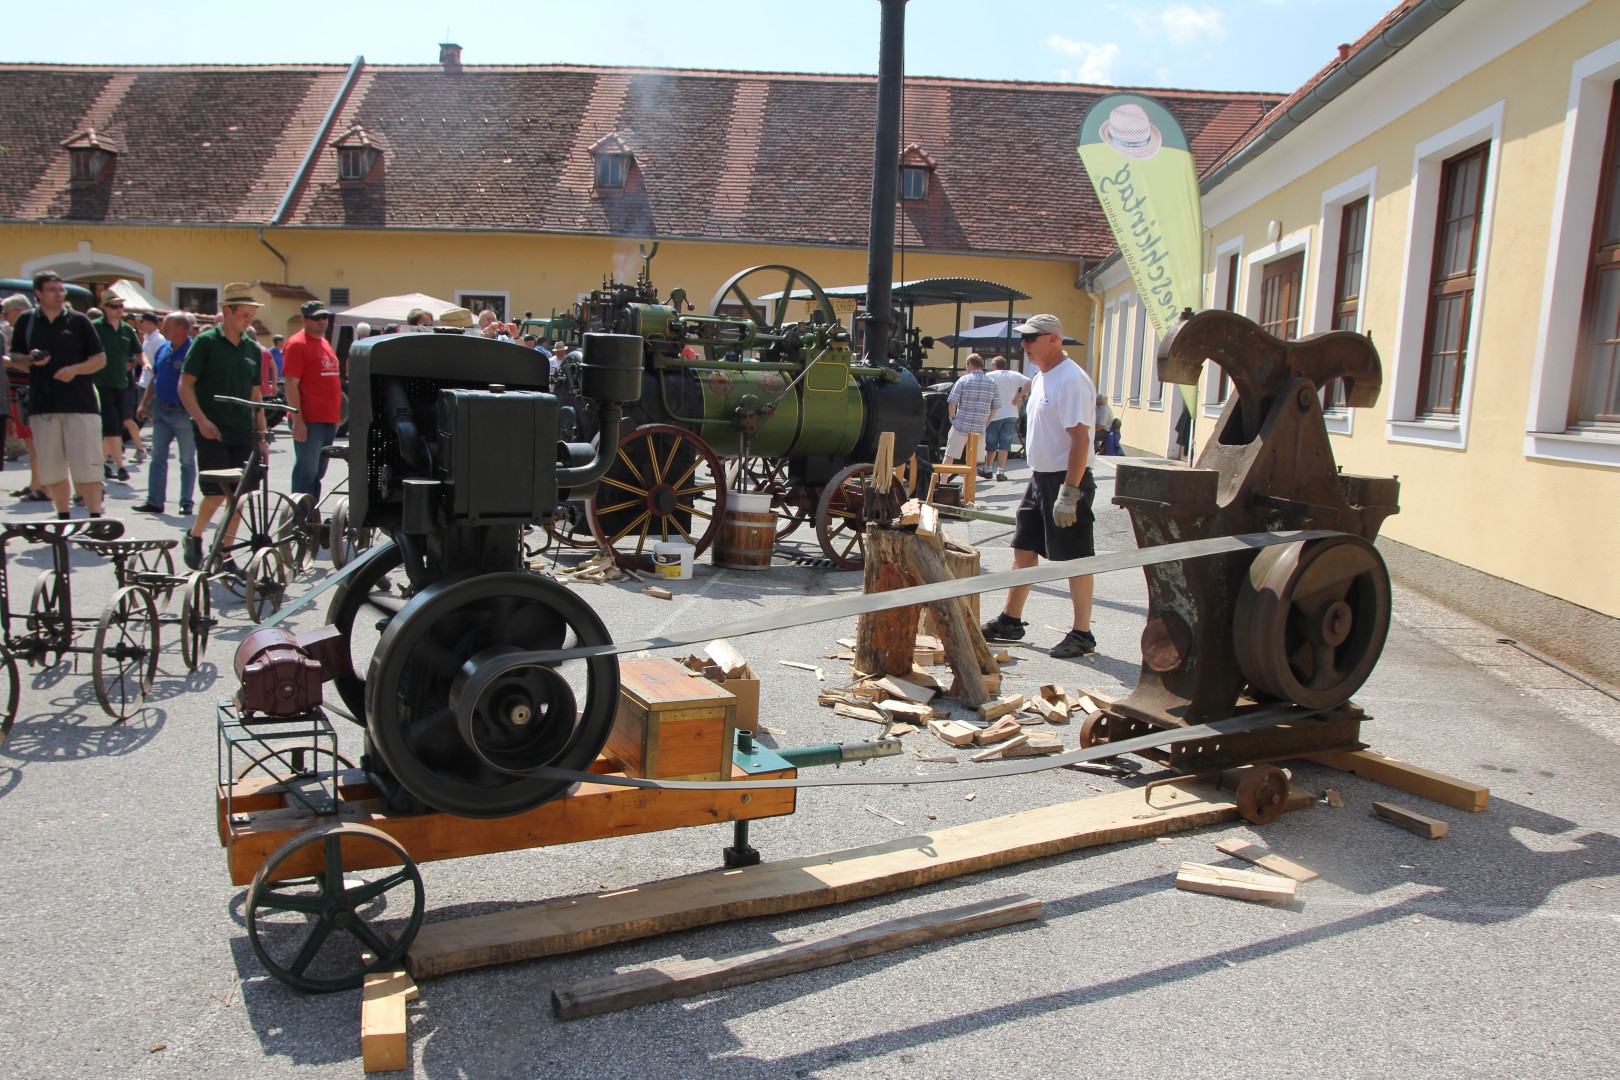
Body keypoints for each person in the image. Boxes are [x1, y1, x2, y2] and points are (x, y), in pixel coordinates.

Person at [981, 313, 1099, 659]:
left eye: (1031, 338)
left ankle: (1083, 632)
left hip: (1066, 478)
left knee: (1075, 557)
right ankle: (1010, 620)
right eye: (1023, 338)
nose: (1024, 345)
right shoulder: (1043, 376)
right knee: (1024, 547)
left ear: (1054, 339)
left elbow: (1080, 439)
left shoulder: (1071, 379)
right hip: (1040, 477)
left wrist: (1070, 492)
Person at [178, 283, 269, 570]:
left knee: (241, 497)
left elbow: (256, 397)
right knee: (217, 493)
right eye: (244, 314)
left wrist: (262, 437)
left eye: (252, 315)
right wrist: (201, 420)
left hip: (243, 429)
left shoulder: (253, 349)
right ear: (227, 311)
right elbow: (185, 385)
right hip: (212, 428)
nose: (248, 320)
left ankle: (224, 553)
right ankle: (195, 536)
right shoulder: (206, 342)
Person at [5, 271, 106, 519]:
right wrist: (31, 360)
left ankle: (95, 519)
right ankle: (63, 519)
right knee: (52, 469)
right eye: (52, 289)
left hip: (80, 404)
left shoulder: (79, 321)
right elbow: (16, 358)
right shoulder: (27, 321)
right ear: (38, 293)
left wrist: (74, 370)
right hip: (43, 405)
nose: (59, 294)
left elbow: (100, 359)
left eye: (61, 289)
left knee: (88, 468)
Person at [131, 311, 197, 516]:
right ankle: (155, 501)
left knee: (186, 459)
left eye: (167, 324)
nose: (162, 328)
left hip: (183, 412)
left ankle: (186, 501)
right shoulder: (163, 348)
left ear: (182, 329)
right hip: (161, 410)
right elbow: (155, 377)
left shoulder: (193, 350)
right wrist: (144, 403)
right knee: (157, 457)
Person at [281, 300, 341, 515]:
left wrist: (335, 419)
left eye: (324, 317)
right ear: (304, 319)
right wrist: (298, 420)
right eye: (316, 318)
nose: (321, 321)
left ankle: (310, 515)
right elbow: (290, 383)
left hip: (327, 419)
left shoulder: (323, 342)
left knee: (317, 473)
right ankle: (298, 520)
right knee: (306, 473)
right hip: (309, 419)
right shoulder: (297, 344)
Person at [91, 295, 141, 481]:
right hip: (100, 383)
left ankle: (101, 464)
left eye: (121, 306)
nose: (119, 310)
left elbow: (137, 351)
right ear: (105, 307)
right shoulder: (95, 327)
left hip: (121, 383)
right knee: (112, 426)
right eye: (114, 306)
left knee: (113, 427)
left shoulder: (127, 329)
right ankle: (120, 467)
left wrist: (140, 363)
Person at [2, 294, 46, 501]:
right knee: (29, 441)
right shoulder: (20, 330)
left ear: (18, 311)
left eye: (7, 312)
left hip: (28, 391)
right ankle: (36, 482)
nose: (5, 316)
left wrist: (9, 361)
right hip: (19, 392)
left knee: (34, 440)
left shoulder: (30, 330)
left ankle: (42, 485)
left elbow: (29, 364)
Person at [944, 353, 997, 480]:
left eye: (966, 365)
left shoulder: (963, 380)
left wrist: (952, 417)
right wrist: (988, 421)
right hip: (980, 427)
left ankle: (943, 483)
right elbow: (995, 406)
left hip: (961, 424)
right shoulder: (992, 382)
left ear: (970, 364)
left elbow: (953, 401)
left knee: (949, 455)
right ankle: (967, 490)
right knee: (972, 461)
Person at [983, 355, 1031, 482]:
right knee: (1005, 443)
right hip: (1011, 412)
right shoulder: (1014, 374)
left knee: (991, 443)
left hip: (994, 414)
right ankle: (1001, 470)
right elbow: (1031, 384)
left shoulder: (990, 376)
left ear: (994, 365)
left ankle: (988, 469)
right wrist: (1018, 396)